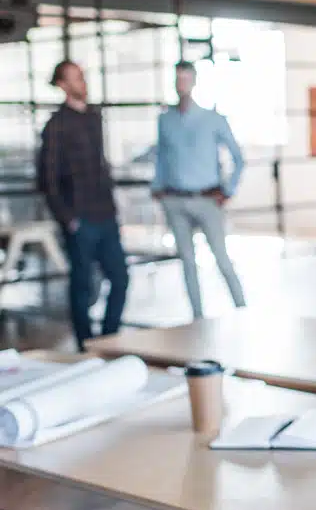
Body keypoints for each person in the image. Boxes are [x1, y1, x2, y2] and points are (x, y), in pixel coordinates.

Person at [38, 60, 129, 351]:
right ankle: (86, 346)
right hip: (80, 219)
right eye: (75, 78)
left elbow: (100, 165)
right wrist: (68, 218)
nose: (82, 82)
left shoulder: (93, 117)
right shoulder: (56, 126)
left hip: (105, 214)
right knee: (82, 286)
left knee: (120, 278)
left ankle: (108, 339)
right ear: (62, 85)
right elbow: (47, 179)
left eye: (82, 76)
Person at [151, 61, 246, 320]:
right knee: (188, 263)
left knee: (222, 259)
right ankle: (197, 319)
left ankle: (243, 312)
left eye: (186, 79)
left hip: (207, 200)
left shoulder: (213, 119)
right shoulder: (165, 120)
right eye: (177, 79)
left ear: (193, 82)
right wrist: (157, 187)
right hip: (175, 200)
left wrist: (228, 190)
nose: (181, 84)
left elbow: (238, 158)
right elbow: (162, 157)